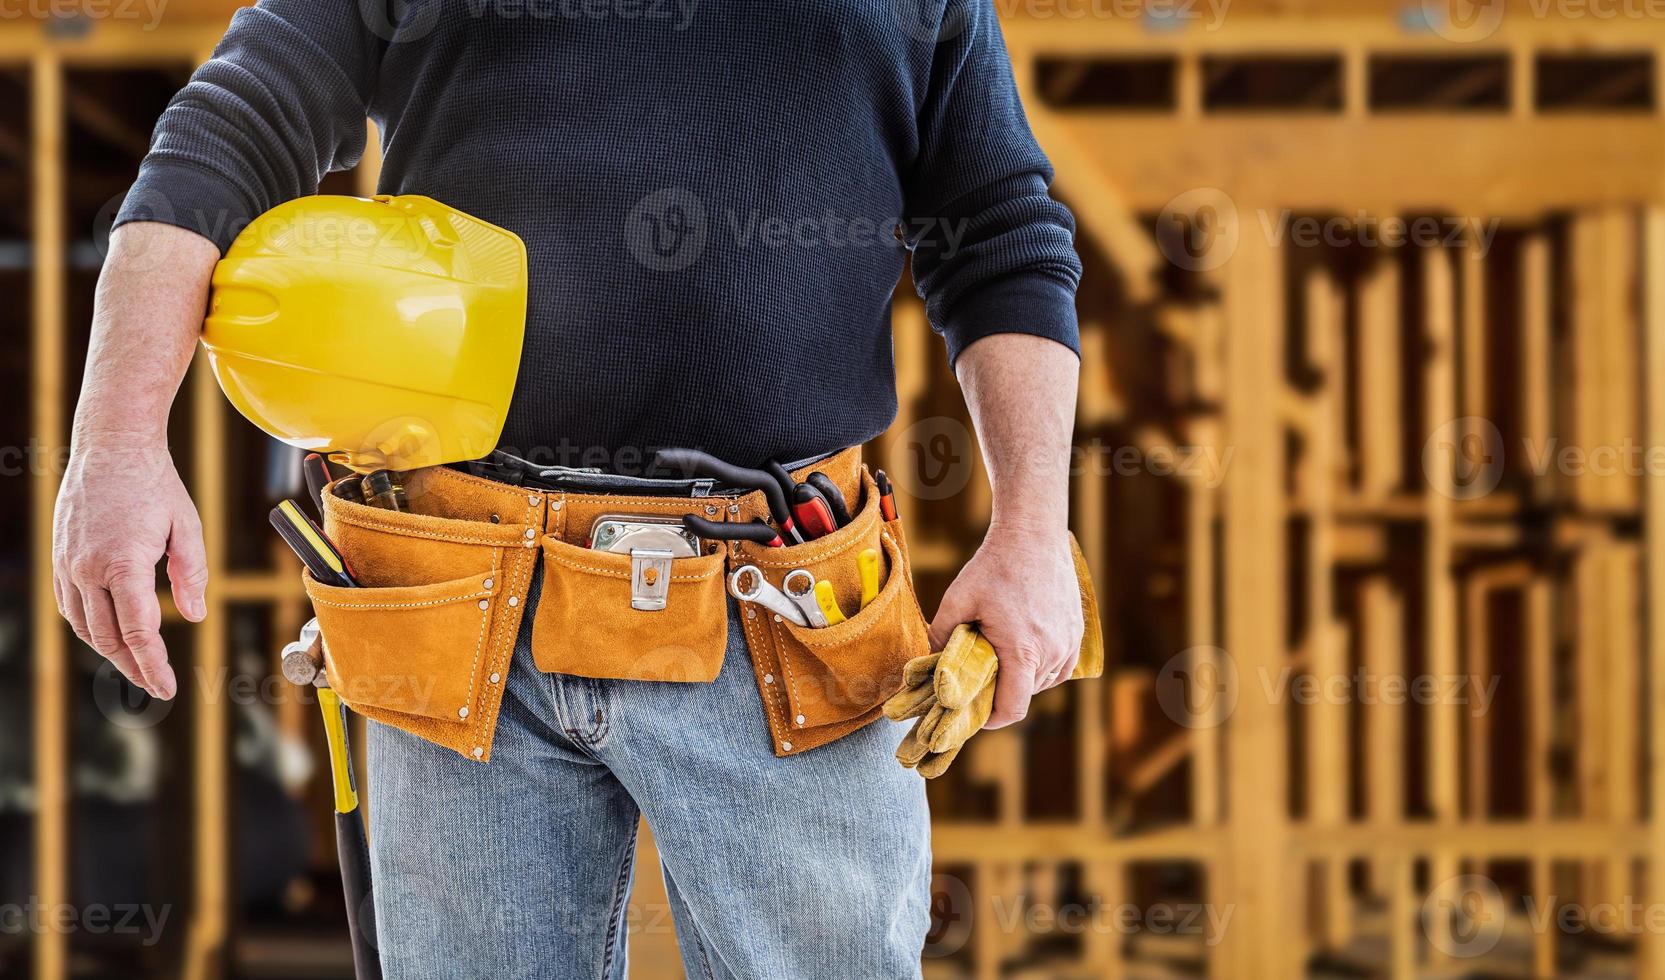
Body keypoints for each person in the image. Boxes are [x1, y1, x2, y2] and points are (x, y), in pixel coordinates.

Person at [52, 1, 1086, 976]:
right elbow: (225, 132)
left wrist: (1037, 532)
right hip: (462, 598)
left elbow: (998, 229)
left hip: (787, 608)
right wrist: (113, 442)